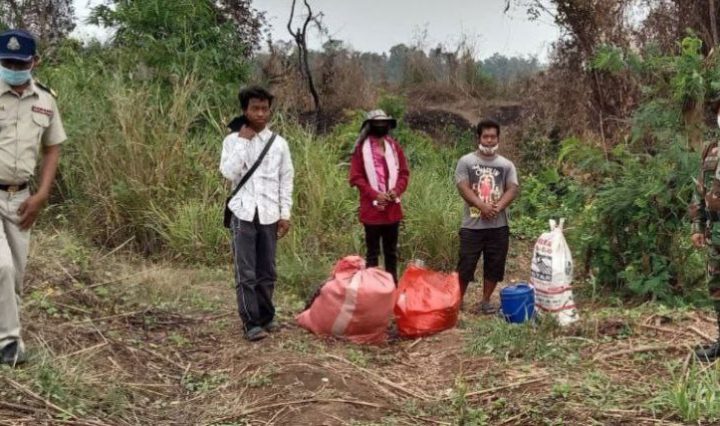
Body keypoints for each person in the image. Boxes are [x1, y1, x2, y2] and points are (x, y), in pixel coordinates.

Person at [0, 29, 66, 366]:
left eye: (19, 63)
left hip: (21, 197)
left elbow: (52, 148)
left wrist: (41, 195)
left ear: (34, 61)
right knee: (1, 266)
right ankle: (9, 344)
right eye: (7, 63)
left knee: (16, 274)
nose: (13, 69)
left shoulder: (46, 99)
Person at [220, 86, 294, 342]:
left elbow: (286, 180)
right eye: (255, 109)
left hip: (269, 214)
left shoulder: (279, 144)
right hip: (242, 213)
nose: (261, 114)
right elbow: (228, 173)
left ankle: (266, 316)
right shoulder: (232, 141)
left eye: (265, 109)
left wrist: (285, 213)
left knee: (267, 270)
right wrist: (243, 141)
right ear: (245, 110)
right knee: (246, 271)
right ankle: (251, 322)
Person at [455, 119, 519, 314]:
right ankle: (457, 301)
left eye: (493, 137)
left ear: (498, 139)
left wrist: (496, 208)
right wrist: (481, 205)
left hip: (498, 226)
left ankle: (485, 301)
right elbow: (463, 186)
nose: (489, 140)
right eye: (486, 137)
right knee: (466, 264)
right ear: (479, 138)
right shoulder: (466, 161)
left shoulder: (506, 165)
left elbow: (512, 188)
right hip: (471, 226)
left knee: (494, 265)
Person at [349, 110, 410, 283]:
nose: (381, 126)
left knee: (391, 252)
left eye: (384, 123)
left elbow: (404, 173)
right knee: (373, 253)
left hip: (392, 209)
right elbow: (356, 177)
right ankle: (372, 288)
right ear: (369, 126)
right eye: (377, 124)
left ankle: (392, 287)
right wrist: (375, 194)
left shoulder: (394, 147)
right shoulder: (361, 149)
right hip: (371, 210)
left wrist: (396, 191)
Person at [690, 97, 720, 361]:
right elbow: (699, 191)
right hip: (715, 232)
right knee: (717, 287)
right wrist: (697, 226)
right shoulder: (711, 150)